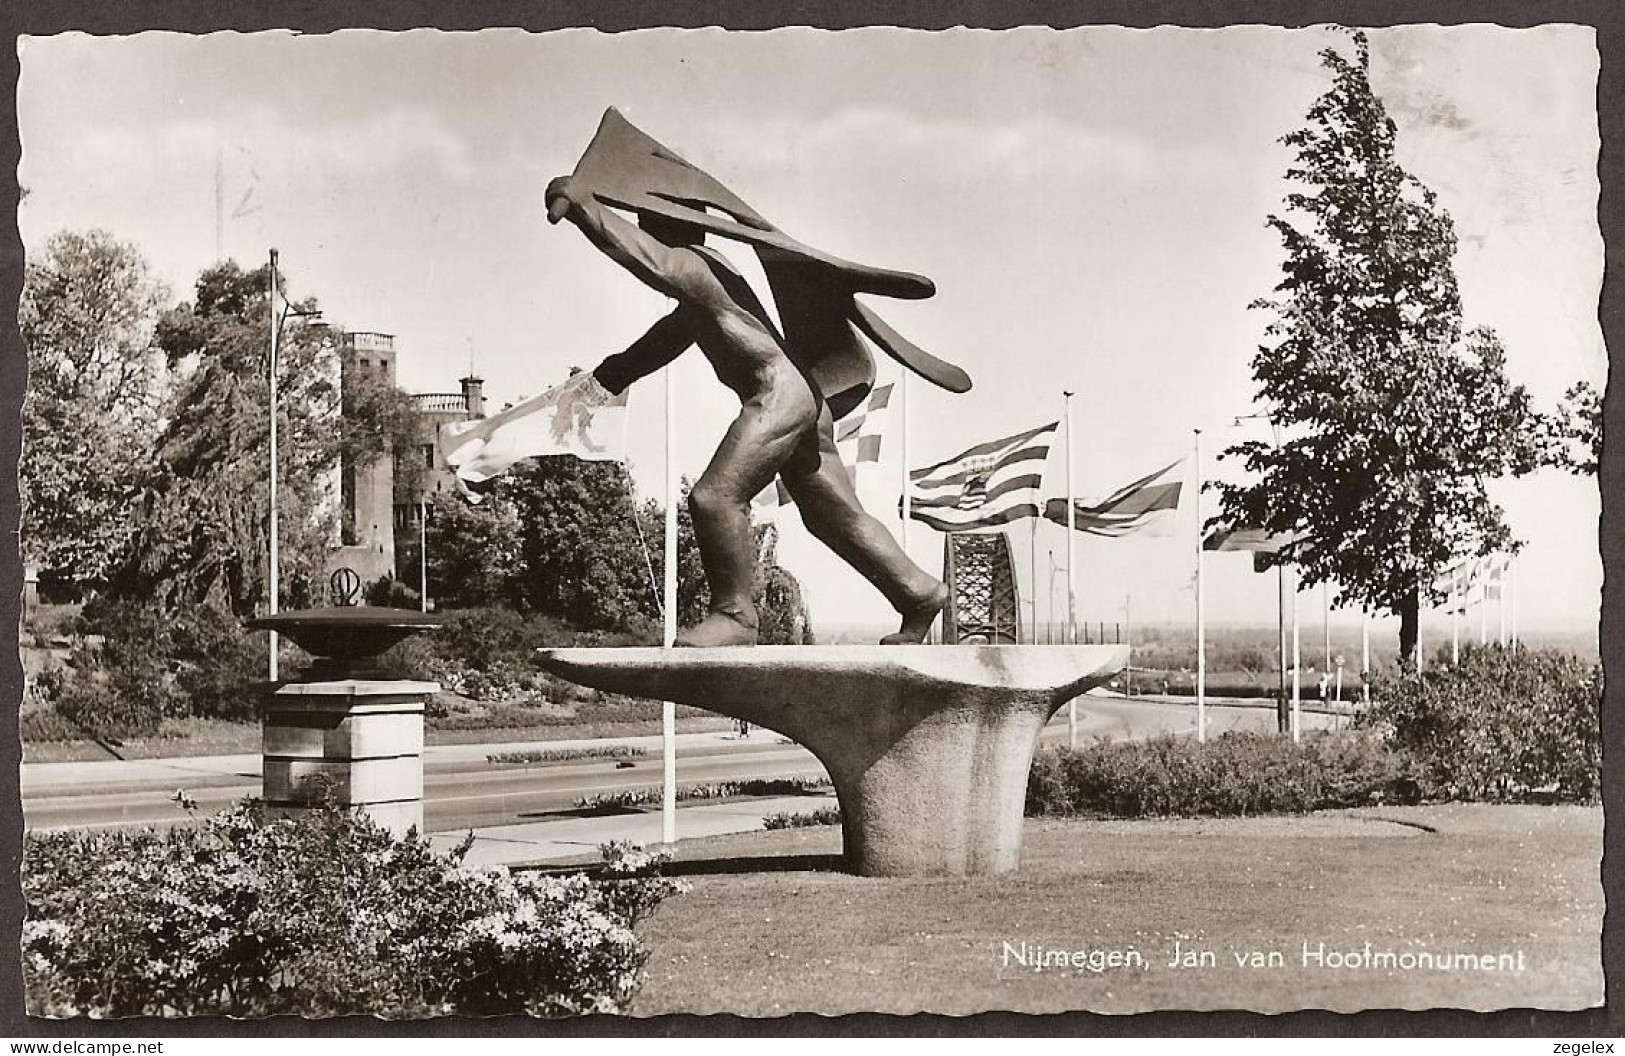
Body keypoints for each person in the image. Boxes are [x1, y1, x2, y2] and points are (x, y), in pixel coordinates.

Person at [545, 176, 948, 648]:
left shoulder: (694, 266)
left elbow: (647, 259)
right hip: (803, 400)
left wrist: (582, 208)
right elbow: (669, 337)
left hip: (780, 395)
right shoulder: (705, 282)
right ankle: (917, 592)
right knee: (829, 515)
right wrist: (613, 375)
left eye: (644, 221)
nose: (641, 228)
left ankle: (736, 615)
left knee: (715, 498)